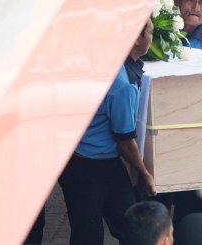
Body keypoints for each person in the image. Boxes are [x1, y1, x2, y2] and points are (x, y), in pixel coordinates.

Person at [58, 18, 156, 244]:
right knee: (88, 233)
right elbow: (125, 141)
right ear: (137, 38)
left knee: (130, 225)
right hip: (86, 165)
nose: (151, 38)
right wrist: (144, 173)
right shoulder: (122, 84)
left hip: (101, 161)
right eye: (150, 32)